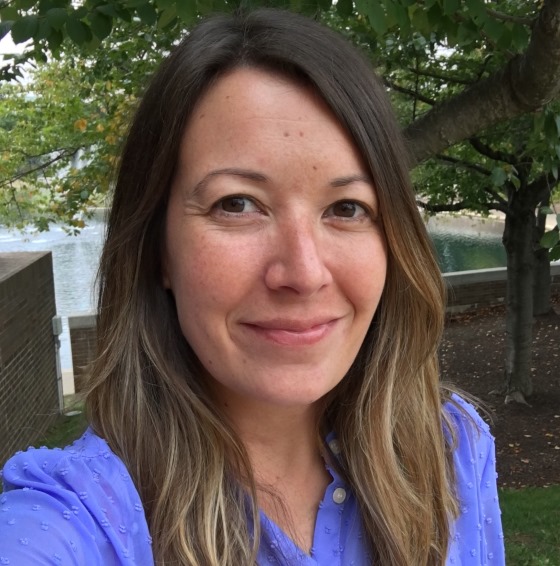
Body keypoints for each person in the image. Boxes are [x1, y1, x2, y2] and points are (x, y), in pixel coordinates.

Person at [0, 9, 505, 565]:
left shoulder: (451, 448)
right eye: (237, 204)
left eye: (346, 208)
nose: (304, 272)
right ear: (157, 248)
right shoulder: (83, 522)